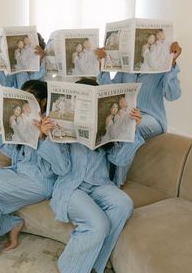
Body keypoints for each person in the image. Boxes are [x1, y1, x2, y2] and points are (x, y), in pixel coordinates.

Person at [0, 80, 70, 266]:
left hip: (40, 182)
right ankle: (11, 223)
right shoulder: (24, 119)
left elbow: (62, 168)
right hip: (19, 172)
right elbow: (12, 152)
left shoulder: (53, 124)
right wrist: (0, 126)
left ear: (42, 102)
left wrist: (43, 138)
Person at [40, 78, 142, 273]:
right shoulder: (62, 124)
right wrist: (48, 137)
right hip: (71, 187)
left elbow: (119, 161)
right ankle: (69, 269)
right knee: (98, 224)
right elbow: (61, 169)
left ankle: (93, 264)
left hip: (99, 184)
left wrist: (132, 131)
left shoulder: (107, 125)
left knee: (124, 203)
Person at [96, 41, 182, 187]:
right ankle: (100, 178)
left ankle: (116, 183)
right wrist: (102, 66)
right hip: (128, 115)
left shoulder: (161, 68)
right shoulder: (126, 68)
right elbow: (109, 90)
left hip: (153, 118)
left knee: (129, 127)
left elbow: (173, 95)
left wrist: (172, 63)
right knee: (107, 124)